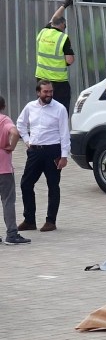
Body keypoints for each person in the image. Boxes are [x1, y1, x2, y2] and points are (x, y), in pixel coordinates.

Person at [16, 80, 71, 233]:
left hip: (53, 151)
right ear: (38, 92)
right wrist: (27, 141)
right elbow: (20, 123)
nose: (49, 95)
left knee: (53, 186)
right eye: (45, 92)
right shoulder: (30, 107)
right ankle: (29, 220)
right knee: (26, 184)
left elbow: (64, 133)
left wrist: (64, 156)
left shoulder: (59, 109)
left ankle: (51, 221)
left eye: (51, 91)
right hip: (34, 151)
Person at [35, 0, 75, 112]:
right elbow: (70, 60)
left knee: (43, 106)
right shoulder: (63, 38)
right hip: (58, 82)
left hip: (41, 78)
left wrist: (64, 5)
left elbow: (54, 19)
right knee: (60, 110)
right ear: (63, 25)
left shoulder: (43, 32)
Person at [0, 96, 30, 245]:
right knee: (7, 201)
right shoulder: (4, 120)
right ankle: (11, 234)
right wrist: (11, 146)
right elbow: (15, 132)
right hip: (3, 169)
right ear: (4, 106)